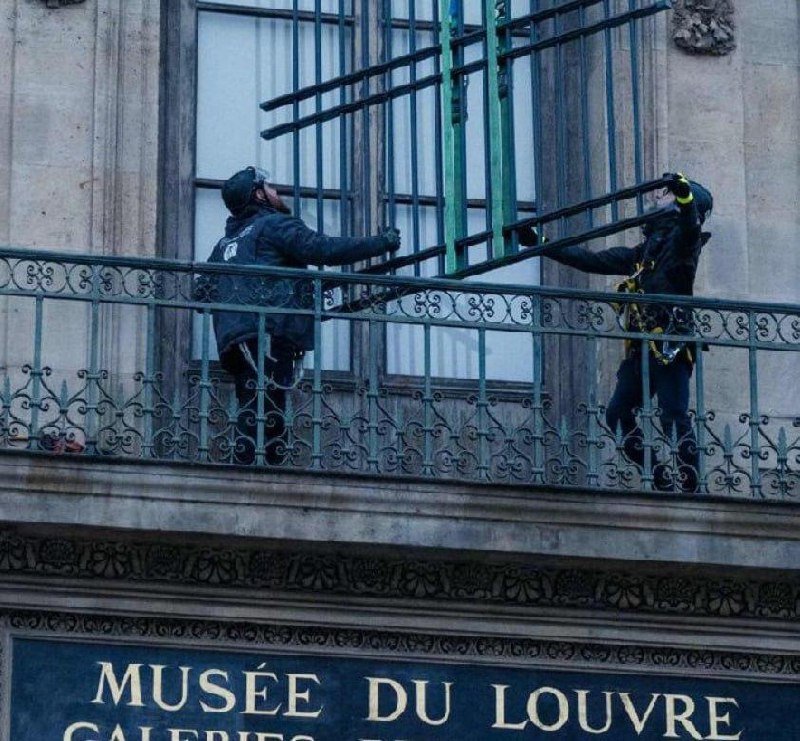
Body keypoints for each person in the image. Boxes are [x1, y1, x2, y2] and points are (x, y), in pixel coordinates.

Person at [522, 173, 713, 493]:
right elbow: (591, 261)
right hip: (641, 350)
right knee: (617, 414)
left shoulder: (682, 247)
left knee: (673, 417)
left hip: (670, 346)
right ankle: (659, 475)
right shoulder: (643, 254)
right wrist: (541, 244)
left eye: (665, 194)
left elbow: (690, 229)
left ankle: (691, 482)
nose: (657, 197)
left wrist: (685, 198)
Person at [201, 166, 401, 466]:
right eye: (269, 187)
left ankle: (256, 464)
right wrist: (380, 243)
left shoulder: (224, 245)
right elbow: (321, 249)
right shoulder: (273, 225)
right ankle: (259, 470)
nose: (276, 192)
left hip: (235, 339)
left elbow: (201, 291)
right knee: (266, 407)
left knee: (256, 403)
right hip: (270, 330)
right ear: (259, 195)